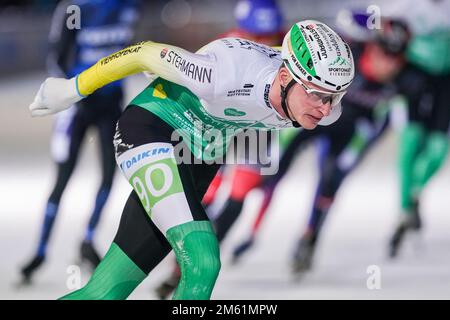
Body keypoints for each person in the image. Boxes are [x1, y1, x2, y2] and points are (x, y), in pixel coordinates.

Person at [28, 20, 354, 299]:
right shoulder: (224, 74)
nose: (326, 108)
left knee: (104, 292)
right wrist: (73, 88)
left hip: (198, 160)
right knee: (203, 259)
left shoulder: (322, 109)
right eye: (317, 94)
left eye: (334, 96)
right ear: (285, 77)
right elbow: (143, 53)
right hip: (151, 129)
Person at [231, 15, 410, 272]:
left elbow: (385, 124)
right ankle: (250, 230)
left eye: (397, 58)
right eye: (384, 53)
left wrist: (358, 150)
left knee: (331, 179)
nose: (389, 64)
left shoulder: (401, 82)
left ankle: (309, 237)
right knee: (272, 169)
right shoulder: (349, 51)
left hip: (350, 132)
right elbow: (342, 19)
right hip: (313, 119)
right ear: (372, 44)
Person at [154, 0, 287, 299]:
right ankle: (186, 260)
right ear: (242, 30)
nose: (265, 43)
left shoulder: (282, 45)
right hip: (221, 127)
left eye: (270, 36)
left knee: (238, 198)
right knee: (208, 195)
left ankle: (193, 264)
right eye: (256, 35)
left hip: (256, 131)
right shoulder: (225, 45)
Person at [21, 0, 140, 284]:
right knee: (63, 178)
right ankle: (40, 250)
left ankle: (88, 240)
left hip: (111, 103)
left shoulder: (129, 6)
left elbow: (127, 50)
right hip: (77, 106)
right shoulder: (75, 7)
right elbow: (57, 56)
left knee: (110, 175)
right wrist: (69, 95)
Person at [385, 0, 450, 257]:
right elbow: (380, 26)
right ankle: (403, 209)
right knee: (410, 145)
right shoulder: (407, 5)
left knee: (438, 148)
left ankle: (413, 194)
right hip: (415, 77)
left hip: (444, 81)